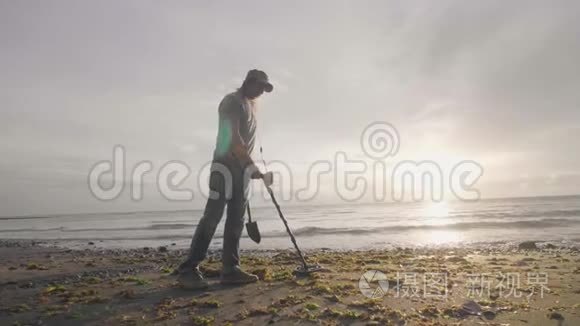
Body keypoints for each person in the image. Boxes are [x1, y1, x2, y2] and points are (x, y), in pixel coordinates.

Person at [177, 69, 274, 289]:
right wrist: (251, 166)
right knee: (213, 215)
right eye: (259, 86)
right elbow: (233, 140)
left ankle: (230, 269)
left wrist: (250, 168)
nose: (261, 91)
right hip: (224, 168)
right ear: (248, 82)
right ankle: (188, 269)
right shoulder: (232, 102)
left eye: (264, 89)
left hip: (242, 172)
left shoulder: (251, 105)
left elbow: (248, 142)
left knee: (236, 220)